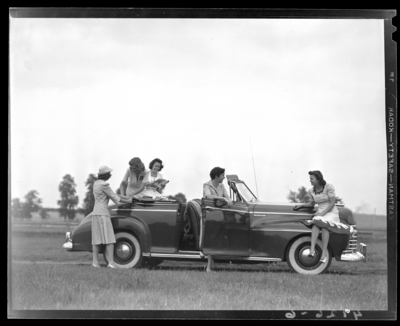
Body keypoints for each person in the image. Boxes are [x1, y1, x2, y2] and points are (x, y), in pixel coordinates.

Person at [294, 170, 349, 264]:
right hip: (321, 213)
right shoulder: (311, 190)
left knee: (323, 225)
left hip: (331, 212)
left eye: (312, 179)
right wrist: (301, 205)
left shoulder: (328, 187)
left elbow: (332, 203)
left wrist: (322, 213)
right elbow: (312, 203)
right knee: (316, 224)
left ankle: (324, 253)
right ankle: (312, 250)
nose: (310, 181)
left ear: (318, 179)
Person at [91, 165, 132, 268]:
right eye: (109, 173)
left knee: (96, 239)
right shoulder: (105, 184)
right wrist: (130, 201)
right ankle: (111, 263)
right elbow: (115, 198)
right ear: (106, 175)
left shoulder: (96, 184)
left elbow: (112, 194)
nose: (110, 175)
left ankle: (95, 262)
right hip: (103, 213)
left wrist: (123, 197)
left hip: (95, 212)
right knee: (110, 239)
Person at [203, 167, 233, 272]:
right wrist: (222, 199)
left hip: (219, 214)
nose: (224, 177)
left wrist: (228, 200)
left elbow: (227, 198)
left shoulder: (221, 186)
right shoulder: (207, 185)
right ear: (216, 176)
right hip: (209, 215)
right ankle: (208, 267)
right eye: (222, 175)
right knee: (212, 237)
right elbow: (208, 196)